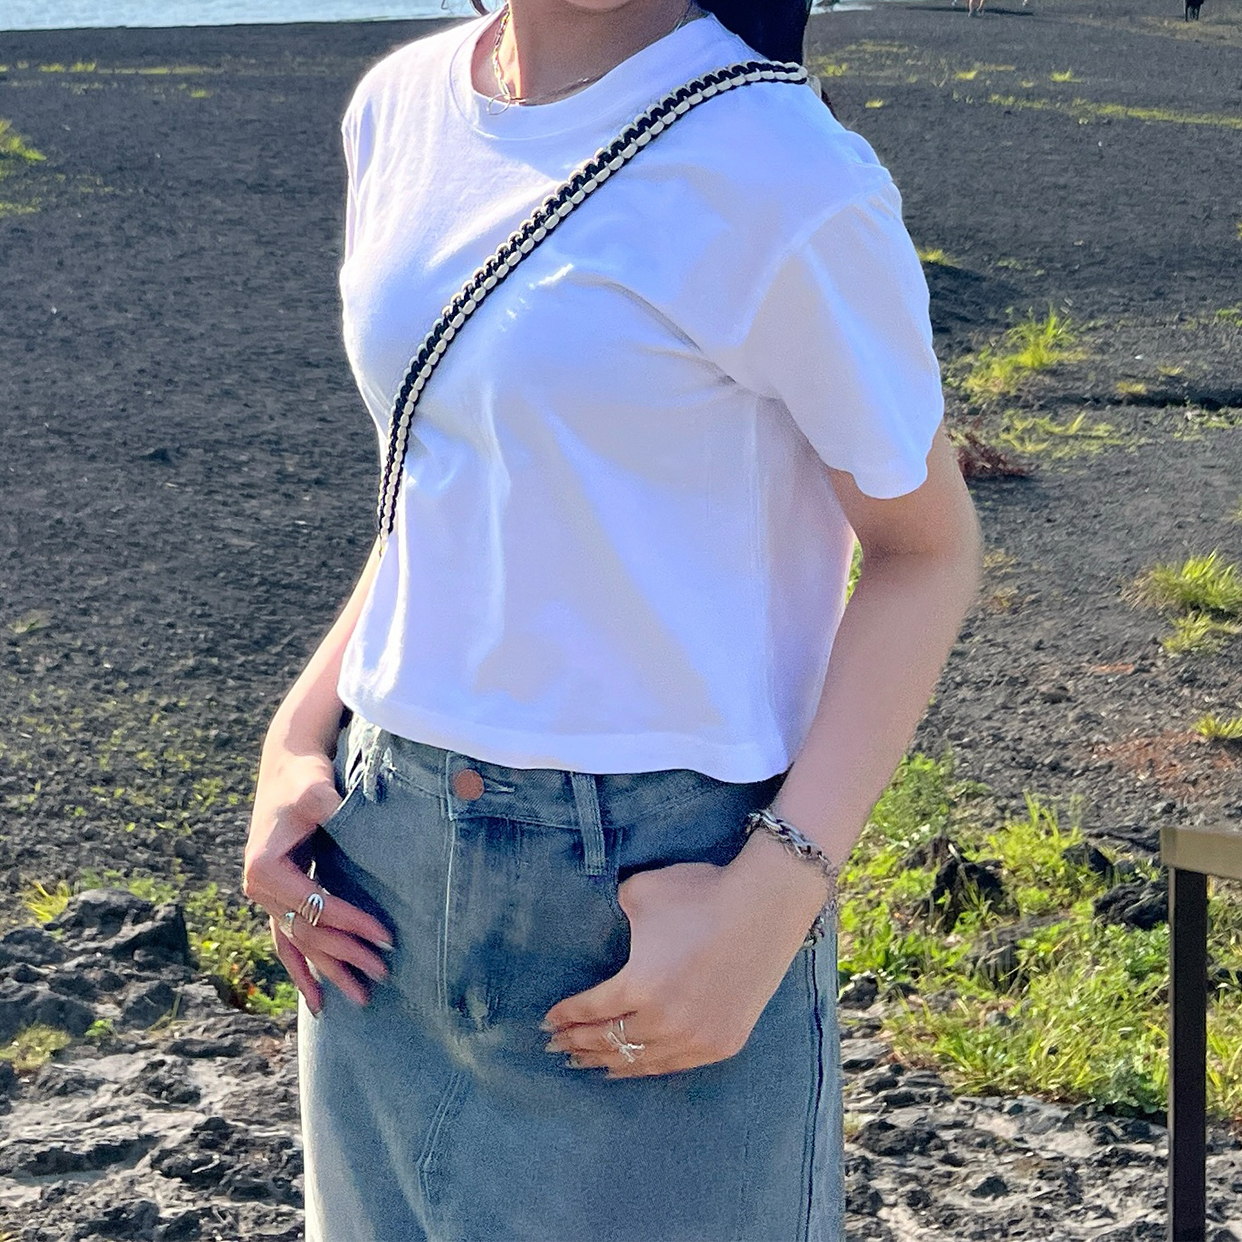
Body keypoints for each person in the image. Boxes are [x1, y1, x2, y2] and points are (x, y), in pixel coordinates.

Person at [242, 0, 982, 1238]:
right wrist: (297, 735)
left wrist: (773, 901)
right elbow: (439, 488)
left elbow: (926, 553)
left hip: (652, 890)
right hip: (382, 871)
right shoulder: (401, 107)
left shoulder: (781, 171)